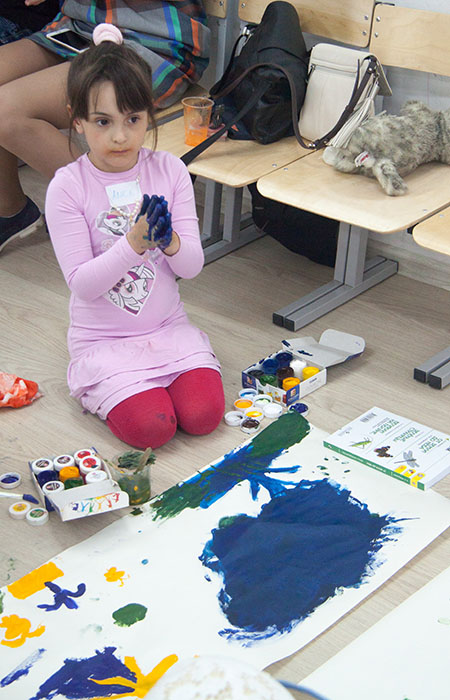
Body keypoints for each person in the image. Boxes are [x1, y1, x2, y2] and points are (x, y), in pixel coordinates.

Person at [44, 23, 224, 449]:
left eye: (133, 119)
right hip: (103, 341)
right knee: (152, 428)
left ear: (150, 113)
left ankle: (162, 380)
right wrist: (133, 244)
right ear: (77, 120)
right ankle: (116, 388)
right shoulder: (67, 186)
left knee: (203, 417)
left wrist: (170, 241)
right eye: (102, 121)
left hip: (168, 328)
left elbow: (192, 267)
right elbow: (83, 284)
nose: (120, 136)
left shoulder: (170, 169)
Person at [0, 0, 210, 253]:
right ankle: (10, 210)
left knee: (5, 113)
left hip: (154, 41)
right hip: (80, 27)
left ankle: (119, 217)